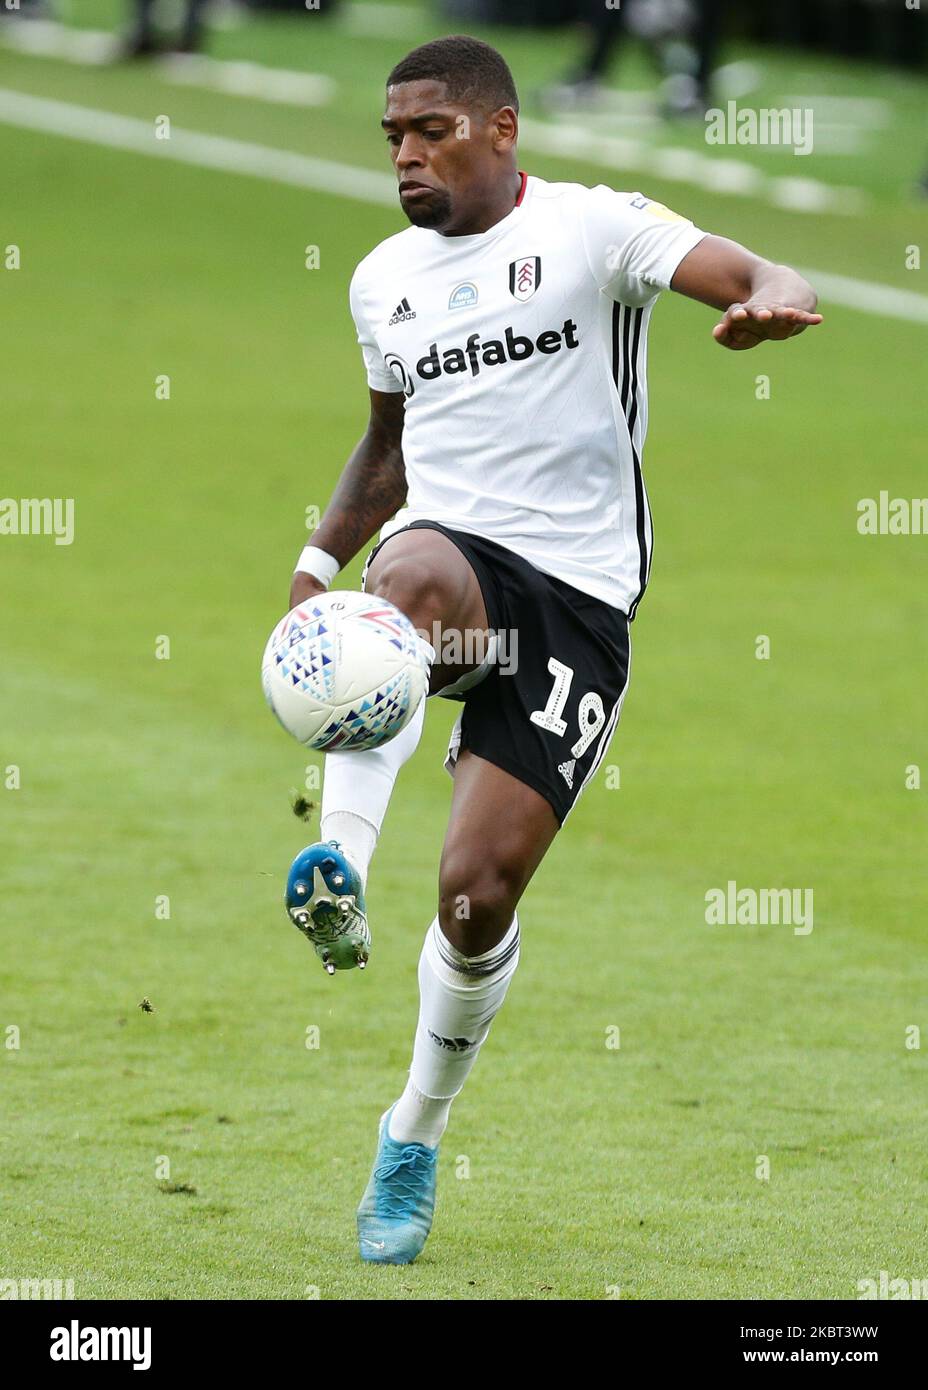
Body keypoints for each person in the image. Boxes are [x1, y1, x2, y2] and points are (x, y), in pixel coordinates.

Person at [284, 34, 821, 1265]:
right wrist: (316, 569)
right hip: (454, 563)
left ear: (502, 129)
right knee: (402, 589)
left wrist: (772, 289)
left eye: (432, 132)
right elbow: (388, 450)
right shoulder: (382, 278)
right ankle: (337, 863)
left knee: (475, 897)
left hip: (578, 601)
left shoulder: (594, 228)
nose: (408, 157)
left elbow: (741, 260)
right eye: (393, 139)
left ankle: (412, 1128)